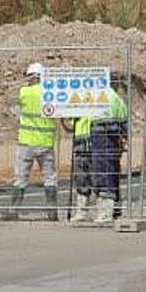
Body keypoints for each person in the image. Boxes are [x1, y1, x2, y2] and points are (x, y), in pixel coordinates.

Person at [11, 62, 58, 220]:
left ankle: (13, 211)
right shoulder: (51, 92)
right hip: (46, 142)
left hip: (26, 142)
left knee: (21, 178)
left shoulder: (24, 92)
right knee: (50, 178)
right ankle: (52, 214)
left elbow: (15, 109)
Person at [87, 84, 129, 224]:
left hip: (100, 140)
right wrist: (124, 139)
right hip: (114, 140)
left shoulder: (97, 98)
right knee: (112, 173)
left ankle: (105, 213)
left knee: (102, 174)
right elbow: (124, 124)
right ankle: (116, 209)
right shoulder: (118, 99)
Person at [60, 114, 94, 222]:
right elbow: (71, 127)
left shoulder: (95, 103)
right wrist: (62, 119)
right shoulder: (78, 106)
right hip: (80, 145)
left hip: (94, 143)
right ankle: (82, 211)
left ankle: (105, 211)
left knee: (99, 178)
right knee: (81, 178)